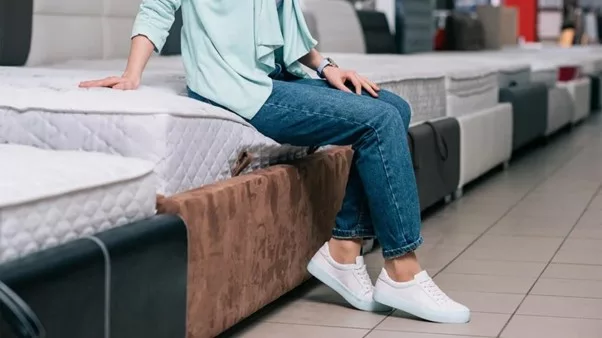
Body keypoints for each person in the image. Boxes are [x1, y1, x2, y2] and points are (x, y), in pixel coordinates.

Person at [79, 0, 470, 324]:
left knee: (393, 107)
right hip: (235, 85)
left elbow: (288, 24)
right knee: (379, 121)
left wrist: (328, 68)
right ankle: (402, 268)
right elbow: (159, 7)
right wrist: (132, 75)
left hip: (278, 77)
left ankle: (343, 250)